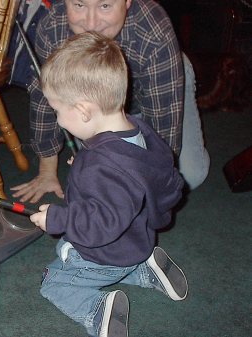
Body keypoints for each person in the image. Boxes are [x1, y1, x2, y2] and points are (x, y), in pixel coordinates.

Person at [29, 32, 188, 337]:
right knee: (97, 248)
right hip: (138, 239)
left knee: (54, 280)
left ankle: (97, 309)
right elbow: (130, 179)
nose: (59, 121)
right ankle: (143, 268)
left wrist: (57, 219)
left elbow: (101, 224)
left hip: (106, 254)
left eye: (59, 111)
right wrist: (87, 167)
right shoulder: (138, 130)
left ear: (85, 111)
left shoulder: (104, 166)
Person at [12, 0, 210, 203]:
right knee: (99, 176)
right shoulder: (52, 26)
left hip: (158, 85)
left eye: (105, 6)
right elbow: (46, 99)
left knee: (186, 178)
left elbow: (162, 129)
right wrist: (47, 170)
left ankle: (180, 69)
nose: (91, 23)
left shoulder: (153, 30)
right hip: (97, 103)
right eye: (79, 5)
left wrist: (147, 181)